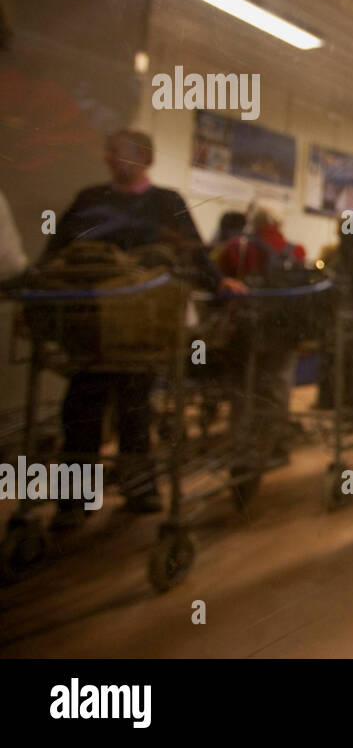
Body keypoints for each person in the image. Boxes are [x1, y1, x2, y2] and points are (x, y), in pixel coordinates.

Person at [40, 129, 245, 526]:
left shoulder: (165, 202)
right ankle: (85, 497)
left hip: (137, 323)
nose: (114, 159)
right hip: (93, 322)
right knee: (83, 406)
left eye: (124, 152)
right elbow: (57, 251)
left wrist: (218, 282)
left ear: (146, 158)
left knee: (130, 403)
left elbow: (193, 250)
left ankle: (129, 489)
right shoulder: (89, 198)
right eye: (112, 151)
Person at [217, 203, 306, 470]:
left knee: (243, 389)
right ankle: (277, 445)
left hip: (245, 329)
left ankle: (241, 447)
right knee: (278, 386)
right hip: (283, 330)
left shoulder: (236, 248)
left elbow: (221, 281)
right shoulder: (296, 251)